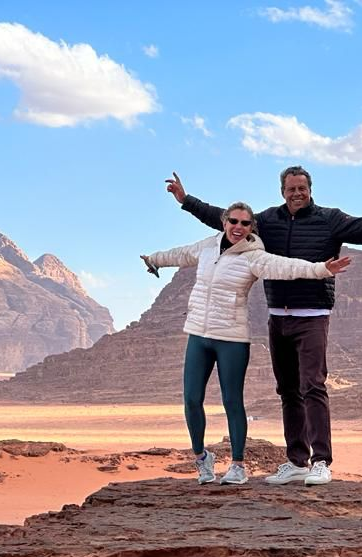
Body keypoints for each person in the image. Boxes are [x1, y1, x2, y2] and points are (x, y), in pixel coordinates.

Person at [166, 167, 362, 486]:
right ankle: (297, 461)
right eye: (291, 188)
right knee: (288, 390)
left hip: (313, 316)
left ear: (310, 189)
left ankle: (321, 461)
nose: (297, 193)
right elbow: (225, 221)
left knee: (313, 386)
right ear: (282, 191)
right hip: (278, 316)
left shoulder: (330, 219)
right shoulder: (265, 221)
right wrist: (186, 200)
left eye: (302, 188)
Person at [141, 201, 351, 485]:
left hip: (232, 338)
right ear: (224, 222)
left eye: (245, 223)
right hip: (199, 335)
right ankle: (203, 459)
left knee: (231, 402)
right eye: (233, 221)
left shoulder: (255, 255)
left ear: (252, 227)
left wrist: (321, 269)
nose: (238, 227)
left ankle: (238, 465)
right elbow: (179, 254)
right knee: (191, 399)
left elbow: (285, 267)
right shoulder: (207, 246)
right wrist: (154, 259)